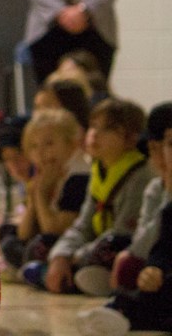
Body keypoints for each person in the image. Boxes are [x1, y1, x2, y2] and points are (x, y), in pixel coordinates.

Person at [23, 98, 152, 294]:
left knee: (109, 246)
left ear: (131, 138)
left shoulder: (140, 174)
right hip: (91, 248)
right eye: (93, 126)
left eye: (107, 129)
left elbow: (124, 233)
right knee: (42, 246)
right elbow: (83, 225)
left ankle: (77, 278)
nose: (94, 135)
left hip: (119, 248)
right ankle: (70, 276)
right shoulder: (98, 170)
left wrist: (75, 256)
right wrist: (61, 255)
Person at [76, 107, 172, 335]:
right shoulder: (166, 204)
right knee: (147, 292)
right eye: (170, 143)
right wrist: (155, 269)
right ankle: (119, 309)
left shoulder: (139, 175)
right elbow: (162, 246)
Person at [0, 108, 89, 270]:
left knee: (41, 245)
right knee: (9, 236)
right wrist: (34, 196)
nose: (40, 153)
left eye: (49, 144)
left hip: (75, 244)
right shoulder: (47, 173)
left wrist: (40, 193)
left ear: (72, 144)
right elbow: (24, 233)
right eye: (34, 146)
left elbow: (53, 230)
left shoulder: (78, 177)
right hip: (53, 240)